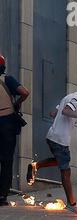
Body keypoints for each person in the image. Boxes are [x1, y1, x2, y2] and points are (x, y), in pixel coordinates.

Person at [26, 80, 77, 216]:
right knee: (66, 172)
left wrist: (58, 116)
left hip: (54, 136)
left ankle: (36, 165)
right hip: (59, 139)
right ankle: (72, 204)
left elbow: (54, 113)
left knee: (59, 161)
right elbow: (66, 111)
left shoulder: (69, 97)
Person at [0, 54, 30, 206]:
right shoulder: (8, 80)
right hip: (6, 123)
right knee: (6, 160)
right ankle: (2, 196)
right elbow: (25, 92)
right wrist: (16, 104)